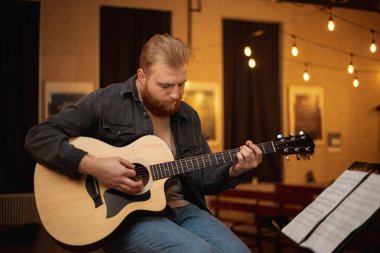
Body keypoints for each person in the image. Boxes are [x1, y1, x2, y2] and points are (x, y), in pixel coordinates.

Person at [25, 33, 262, 253]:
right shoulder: (106, 102)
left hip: (182, 208)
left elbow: (203, 179)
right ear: (142, 75)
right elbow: (39, 137)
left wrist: (234, 169)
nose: (176, 94)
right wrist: (94, 166)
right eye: (166, 86)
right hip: (125, 218)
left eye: (182, 84)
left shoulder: (188, 116)